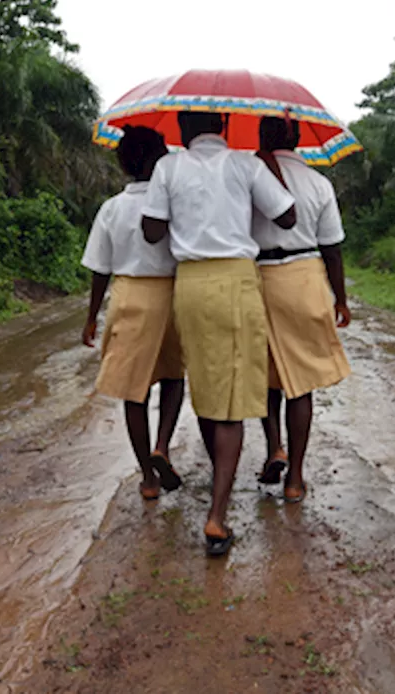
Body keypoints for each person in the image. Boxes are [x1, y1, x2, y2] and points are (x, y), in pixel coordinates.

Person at [141, 110, 296, 556]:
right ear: (224, 122)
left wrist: (184, 213)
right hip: (236, 279)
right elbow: (287, 217)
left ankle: (218, 490)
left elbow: (152, 231)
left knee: (208, 387)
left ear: (182, 127)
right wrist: (263, 171)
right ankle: (217, 516)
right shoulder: (246, 164)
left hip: (190, 283)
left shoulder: (167, 167)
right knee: (231, 402)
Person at [82, 125, 186, 502]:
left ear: (123, 163)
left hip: (128, 295)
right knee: (174, 377)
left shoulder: (112, 208)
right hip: (172, 294)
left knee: (133, 391)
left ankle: (147, 476)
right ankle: (162, 444)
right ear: (161, 159)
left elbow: (99, 267)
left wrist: (92, 316)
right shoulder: (174, 203)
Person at [253, 115, 352, 505]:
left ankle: (274, 446)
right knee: (300, 383)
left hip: (258, 276)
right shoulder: (319, 183)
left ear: (260, 135)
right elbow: (332, 247)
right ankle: (295, 477)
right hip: (305, 275)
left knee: (267, 375)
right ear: (297, 138)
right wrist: (339, 298)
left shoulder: (250, 175)